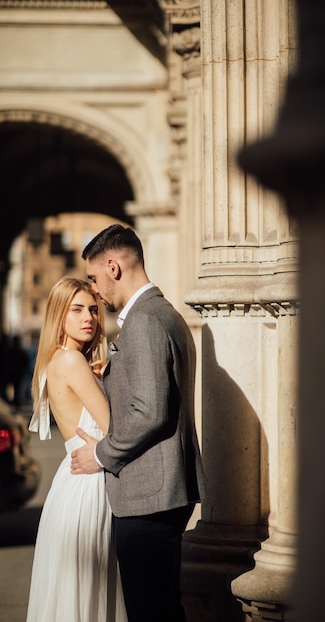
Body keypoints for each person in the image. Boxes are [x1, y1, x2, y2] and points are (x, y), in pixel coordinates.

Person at [70, 224, 206, 621]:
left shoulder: (145, 320)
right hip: (161, 490)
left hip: (148, 495)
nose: (94, 289)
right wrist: (111, 376)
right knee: (162, 607)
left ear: (113, 267)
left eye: (95, 279)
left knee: (151, 612)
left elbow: (150, 410)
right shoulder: (160, 314)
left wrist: (101, 453)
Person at [26, 277, 127, 622]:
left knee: (81, 591)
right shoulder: (71, 361)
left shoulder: (60, 360)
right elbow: (115, 427)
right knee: (93, 589)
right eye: (78, 309)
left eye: (94, 310)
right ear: (58, 314)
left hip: (73, 483)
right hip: (90, 484)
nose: (90, 317)